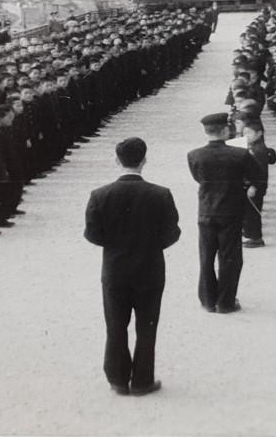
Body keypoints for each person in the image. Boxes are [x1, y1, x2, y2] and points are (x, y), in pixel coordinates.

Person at [84, 137, 180, 396]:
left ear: (117, 161)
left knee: (115, 324)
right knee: (147, 326)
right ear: (144, 160)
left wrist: (115, 245)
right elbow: (172, 233)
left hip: (115, 269)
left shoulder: (99, 195)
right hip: (150, 268)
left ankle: (117, 378)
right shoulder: (161, 194)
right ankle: (142, 381)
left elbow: (92, 234)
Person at [187, 112, 261, 314]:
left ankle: (208, 300)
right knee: (230, 257)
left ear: (206, 131)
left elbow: (198, 178)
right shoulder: (240, 154)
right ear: (225, 130)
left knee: (206, 256)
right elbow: (255, 175)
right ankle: (226, 302)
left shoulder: (194, 155)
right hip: (231, 210)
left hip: (206, 209)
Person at [241, 119, 275, 248]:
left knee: (253, 213)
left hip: (255, 186)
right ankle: (250, 234)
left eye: (249, 133)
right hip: (252, 185)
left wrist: (254, 185)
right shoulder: (254, 147)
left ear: (259, 133)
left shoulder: (258, 150)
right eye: (244, 133)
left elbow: (259, 172)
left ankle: (256, 238)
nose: (246, 136)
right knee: (249, 212)